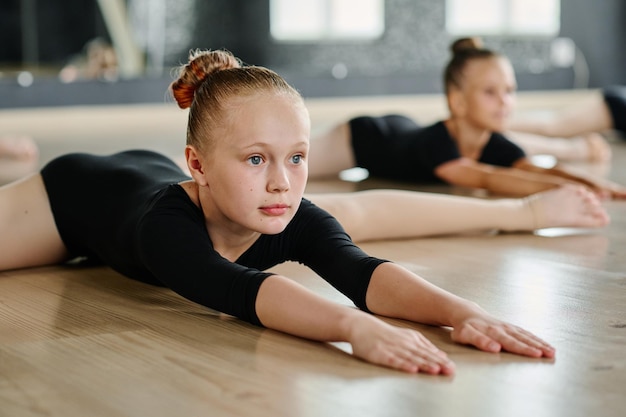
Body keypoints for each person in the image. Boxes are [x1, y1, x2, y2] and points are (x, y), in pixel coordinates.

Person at [7, 48, 607, 376]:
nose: (281, 182)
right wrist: (353, 329)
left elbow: (361, 270)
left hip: (145, 171)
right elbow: (242, 291)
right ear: (199, 165)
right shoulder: (167, 228)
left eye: (296, 157)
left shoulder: (284, 207)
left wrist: (463, 313)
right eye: (254, 159)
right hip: (67, 201)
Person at [308, 38, 626, 199]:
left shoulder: (496, 142)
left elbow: (536, 168)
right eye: (490, 92)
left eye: (509, 91)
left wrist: (597, 184)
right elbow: (488, 178)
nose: (505, 102)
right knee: (296, 164)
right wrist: (566, 192)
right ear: (457, 102)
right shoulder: (437, 142)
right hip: (363, 138)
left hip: (402, 126)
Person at [508, 85, 626, 142]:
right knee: (551, 127)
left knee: (552, 126)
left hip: (618, 104)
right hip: (617, 107)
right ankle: (498, 124)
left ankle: (500, 125)